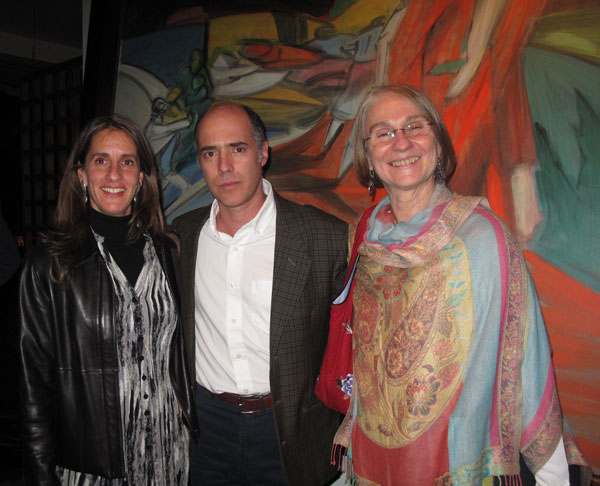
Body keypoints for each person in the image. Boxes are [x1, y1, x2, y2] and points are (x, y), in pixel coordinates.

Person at [332, 84, 589, 485]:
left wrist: (552, 476)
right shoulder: (362, 239)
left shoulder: (481, 237)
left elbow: (525, 357)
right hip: (375, 460)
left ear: (437, 142)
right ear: (367, 155)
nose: (401, 142)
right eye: (383, 132)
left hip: (459, 459)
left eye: (414, 126)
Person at [172, 102, 348, 485]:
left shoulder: (325, 237)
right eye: (210, 153)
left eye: (237, 149)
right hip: (206, 431)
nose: (224, 167)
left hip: (292, 431)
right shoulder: (179, 237)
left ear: (263, 152)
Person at [19, 114, 199, 485]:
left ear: (141, 178)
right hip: (93, 468)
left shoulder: (168, 252)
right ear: (81, 175)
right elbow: (32, 386)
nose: (114, 174)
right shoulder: (49, 265)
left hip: (169, 457)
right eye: (101, 160)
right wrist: (40, 473)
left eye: (127, 162)